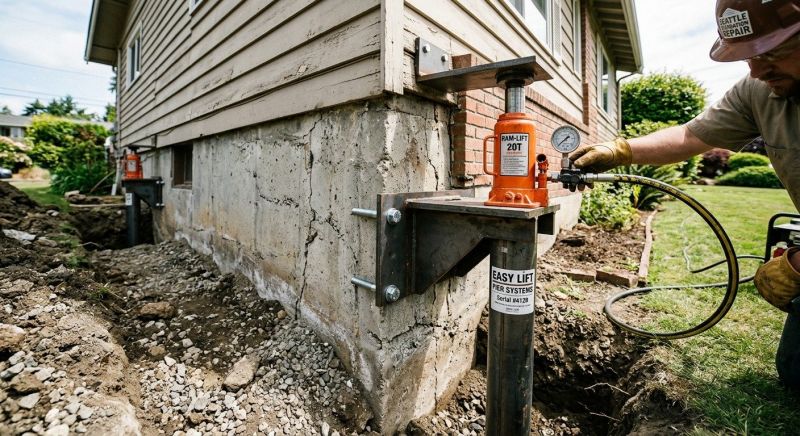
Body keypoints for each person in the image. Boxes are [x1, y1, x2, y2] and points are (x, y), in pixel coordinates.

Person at [570, 0, 800, 389]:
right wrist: (621, 151)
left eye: (772, 53)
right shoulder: (759, 91)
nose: (758, 71)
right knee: (794, 371)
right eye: (748, 57)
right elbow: (692, 136)